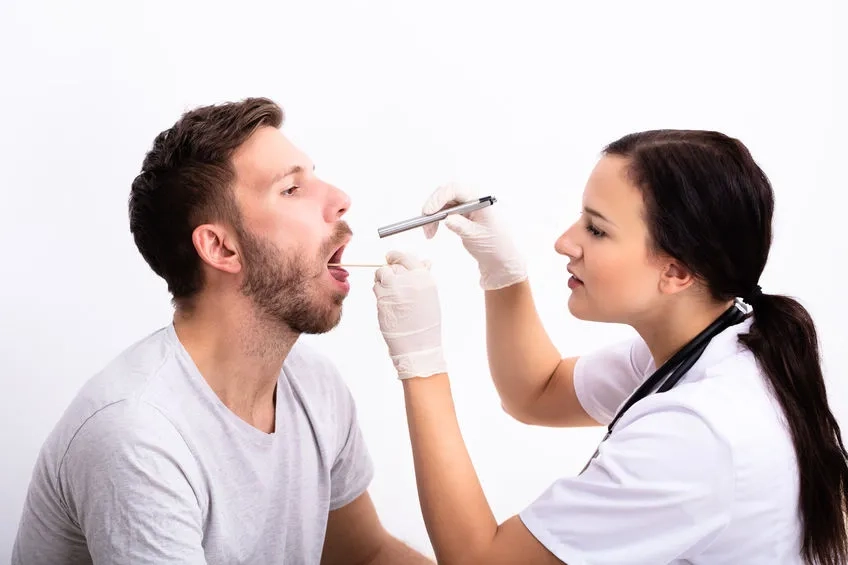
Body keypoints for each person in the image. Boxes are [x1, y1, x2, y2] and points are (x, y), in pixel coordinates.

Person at [372, 130, 848, 565]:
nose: (564, 242)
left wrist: (420, 362)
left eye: (596, 230)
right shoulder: (713, 343)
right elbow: (537, 392)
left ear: (677, 272)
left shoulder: (698, 433)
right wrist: (503, 274)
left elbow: (480, 561)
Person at [12, 97, 433, 565]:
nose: (338, 200)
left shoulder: (316, 389)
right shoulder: (138, 436)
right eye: (292, 189)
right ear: (221, 247)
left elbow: (367, 555)